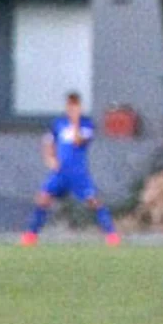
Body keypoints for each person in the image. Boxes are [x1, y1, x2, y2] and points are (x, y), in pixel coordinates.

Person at [20, 92, 120, 247]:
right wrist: (50, 158)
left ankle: (111, 235)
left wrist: (75, 122)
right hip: (60, 172)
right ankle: (31, 235)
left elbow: (78, 140)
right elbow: (48, 141)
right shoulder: (59, 123)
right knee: (43, 199)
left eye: (75, 105)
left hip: (78, 173)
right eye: (70, 105)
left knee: (93, 201)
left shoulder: (86, 124)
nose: (72, 108)